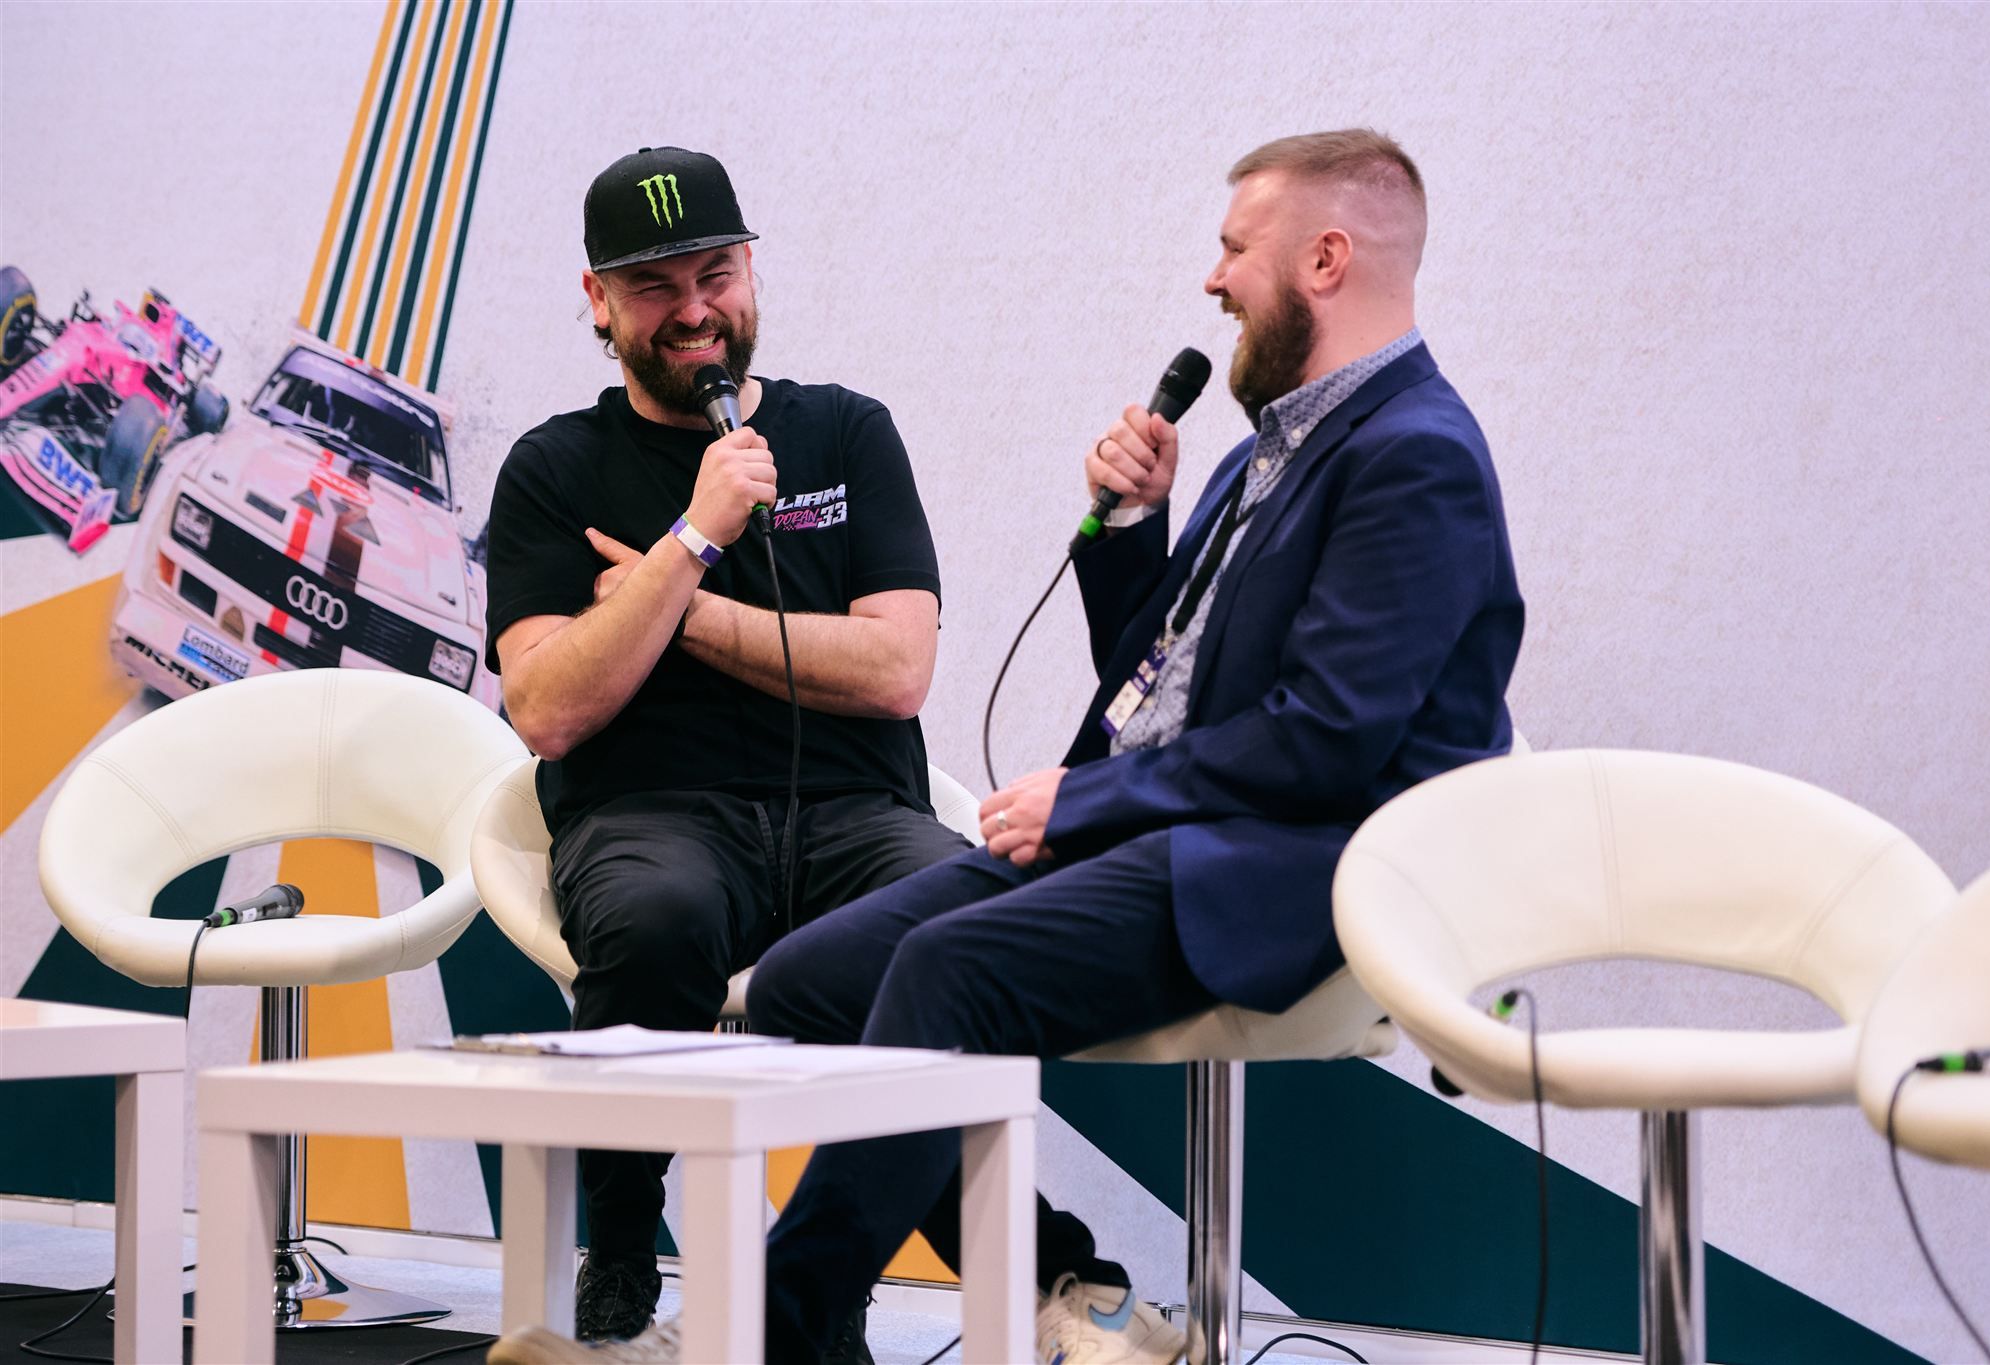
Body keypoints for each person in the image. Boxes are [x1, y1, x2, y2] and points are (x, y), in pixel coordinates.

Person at [497, 126, 1523, 1365]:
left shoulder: (1411, 457)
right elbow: (1163, 686)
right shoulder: (1277, 445)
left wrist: (1084, 806)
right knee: (806, 985)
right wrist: (1132, 531)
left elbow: (1327, 742)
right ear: (599, 303)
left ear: (1322, 259)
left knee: (942, 971)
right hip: (1170, 823)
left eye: (1231, 250)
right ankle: (795, 1317)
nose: (1211, 280)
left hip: (1278, 862)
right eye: (656, 283)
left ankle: (752, 1335)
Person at [483, 146, 966, 1352]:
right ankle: (625, 1232)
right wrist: (694, 535)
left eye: (715, 273)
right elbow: (544, 707)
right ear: (598, 301)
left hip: (856, 815)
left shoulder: (847, 434)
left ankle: (824, 1284)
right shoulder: (551, 469)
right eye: (655, 288)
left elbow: (898, 668)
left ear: (751, 269)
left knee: (949, 923)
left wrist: (669, 608)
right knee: (656, 920)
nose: (694, 310)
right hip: (651, 814)